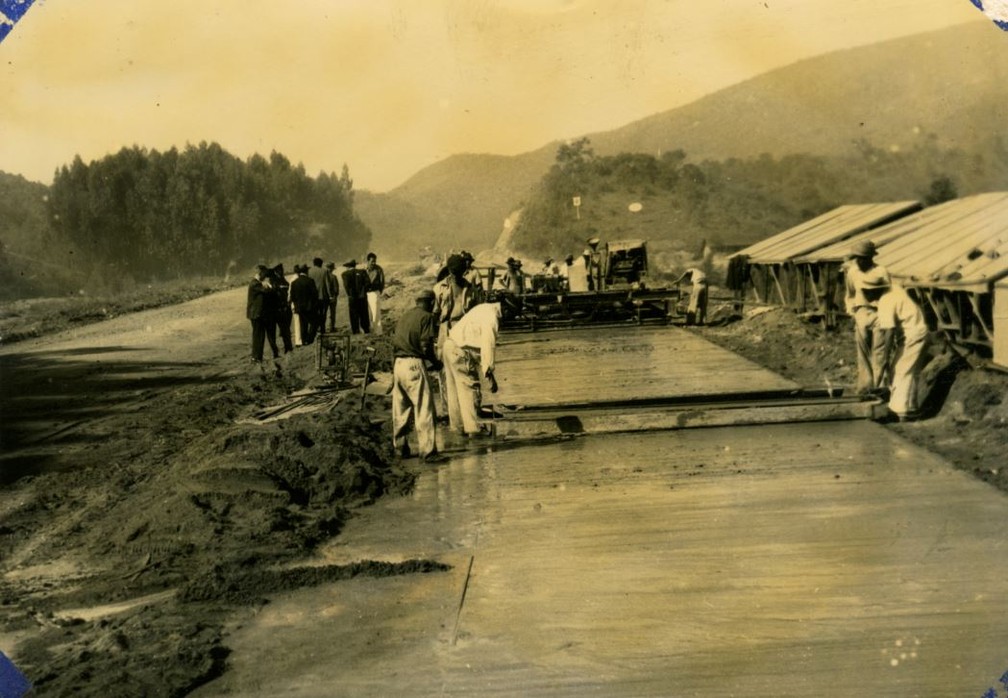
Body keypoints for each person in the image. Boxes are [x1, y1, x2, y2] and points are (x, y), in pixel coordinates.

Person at [863, 271, 930, 422]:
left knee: (902, 371)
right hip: (912, 332)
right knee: (903, 370)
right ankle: (908, 407)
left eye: (867, 292)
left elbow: (889, 332)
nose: (865, 296)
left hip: (914, 334)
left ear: (875, 290)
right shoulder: (893, 289)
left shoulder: (886, 302)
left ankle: (902, 411)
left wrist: (885, 358)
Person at [391, 289, 446, 463]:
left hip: (398, 364)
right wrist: (436, 362)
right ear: (431, 302)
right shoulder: (426, 317)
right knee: (424, 408)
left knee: (401, 410)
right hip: (414, 364)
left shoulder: (405, 316)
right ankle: (428, 452)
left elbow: (395, 342)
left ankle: (400, 448)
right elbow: (425, 345)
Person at [442, 302, 501, 438]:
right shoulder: (492, 318)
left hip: (449, 345)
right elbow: (488, 345)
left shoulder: (484, 307)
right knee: (469, 389)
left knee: (454, 391)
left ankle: (458, 428)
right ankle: (474, 429)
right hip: (460, 351)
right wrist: (489, 374)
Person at [844, 239, 891, 396]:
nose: (859, 261)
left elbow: (888, 294)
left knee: (879, 351)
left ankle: (881, 386)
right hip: (861, 312)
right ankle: (865, 386)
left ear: (871, 257)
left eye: (862, 258)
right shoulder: (852, 272)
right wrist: (853, 312)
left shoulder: (881, 271)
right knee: (863, 352)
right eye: (857, 258)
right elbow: (850, 294)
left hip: (879, 313)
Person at [433, 254, 475, 419]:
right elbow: (434, 314)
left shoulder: (469, 287)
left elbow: (475, 311)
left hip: (465, 331)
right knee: (445, 373)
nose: (458, 275)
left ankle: (470, 410)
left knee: (468, 370)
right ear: (449, 271)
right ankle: (448, 411)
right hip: (446, 330)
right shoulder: (439, 288)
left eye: (460, 272)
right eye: (455, 272)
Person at [246, 265, 275, 366]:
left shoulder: (256, 283)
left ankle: (257, 356)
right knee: (258, 335)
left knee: (259, 335)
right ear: (260, 273)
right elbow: (266, 291)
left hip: (256, 314)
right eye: (264, 275)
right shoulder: (255, 284)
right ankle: (256, 357)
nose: (265, 277)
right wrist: (270, 285)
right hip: (256, 314)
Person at [289, 264, 318, 346]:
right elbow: (314, 294)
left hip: (299, 307)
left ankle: (304, 340)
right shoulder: (310, 281)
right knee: (314, 323)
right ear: (306, 271)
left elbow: (292, 297)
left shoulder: (294, 282)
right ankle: (310, 339)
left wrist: (296, 305)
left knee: (303, 324)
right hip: (309, 307)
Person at [269, 263, 294, 355]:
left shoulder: (281, 280)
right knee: (282, 330)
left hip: (282, 308)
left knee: (285, 330)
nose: (282, 272)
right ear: (276, 271)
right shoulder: (274, 281)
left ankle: (287, 347)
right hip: (277, 309)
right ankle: (279, 350)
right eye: (280, 270)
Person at [341, 260, 368, 334]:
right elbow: (367, 283)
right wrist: (363, 292)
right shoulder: (362, 272)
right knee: (364, 313)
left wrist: (349, 294)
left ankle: (356, 330)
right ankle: (366, 329)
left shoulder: (345, 274)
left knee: (353, 314)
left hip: (352, 297)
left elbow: (346, 286)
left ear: (348, 266)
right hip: (362, 296)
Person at [307, 257, 331, 338]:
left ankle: (315, 329)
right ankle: (322, 329)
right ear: (321, 264)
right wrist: (330, 295)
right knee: (323, 313)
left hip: (313, 297)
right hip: (323, 296)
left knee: (314, 313)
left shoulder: (309, 271)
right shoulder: (324, 271)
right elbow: (327, 284)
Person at [364, 252, 385, 334]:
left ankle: (378, 331)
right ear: (368, 261)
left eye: (375, 261)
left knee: (376, 312)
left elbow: (382, 281)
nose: (374, 263)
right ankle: (368, 330)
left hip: (374, 292)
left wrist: (379, 291)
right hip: (365, 293)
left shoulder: (379, 269)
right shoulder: (364, 269)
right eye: (372, 261)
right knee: (366, 312)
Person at [324, 261, 340, 332]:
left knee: (324, 313)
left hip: (324, 297)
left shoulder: (323, 277)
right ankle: (331, 327)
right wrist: (335, 295)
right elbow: (336, 289)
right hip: (333, 297)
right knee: (332, 313)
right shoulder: (333, 277)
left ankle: (324, 327)